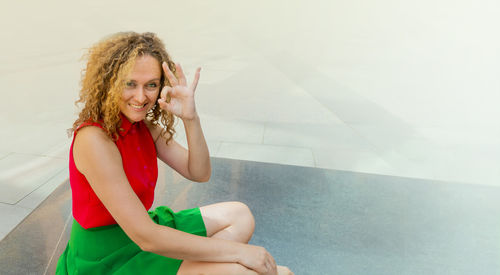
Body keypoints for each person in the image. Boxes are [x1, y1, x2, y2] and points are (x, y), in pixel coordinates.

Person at [55, 32, 293, 275]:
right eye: (130, 84)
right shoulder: (94, 140)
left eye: (151, 85)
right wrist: (240, 254)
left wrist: (190, 118)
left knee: (241, 216)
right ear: (110, 82)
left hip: (144, 232)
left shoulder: (144, 128)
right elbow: (147, 237)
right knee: (260, 271)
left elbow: (199, 172)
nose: (141, 97)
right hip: (105, 258)